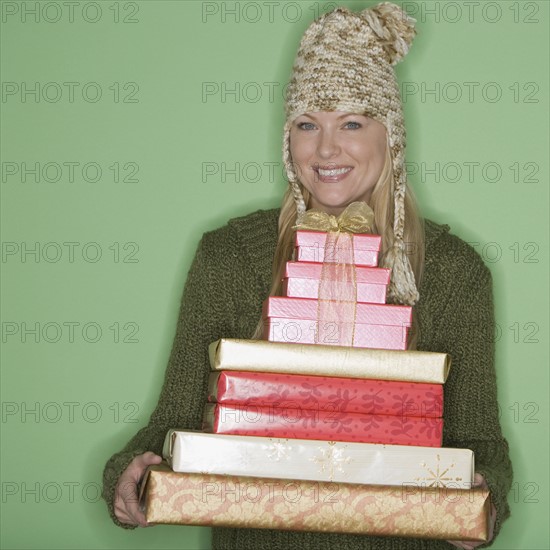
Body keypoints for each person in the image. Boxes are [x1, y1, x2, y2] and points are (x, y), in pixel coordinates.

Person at [102, 3, 513, 549]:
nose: (326, 149)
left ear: (389, 135)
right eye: (306, 124)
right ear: (287, 137)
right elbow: (174, 421)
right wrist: (125, 479)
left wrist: (484, 503)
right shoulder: (228, 256)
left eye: (351, 123)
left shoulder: (454, 272)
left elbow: (479, 441)